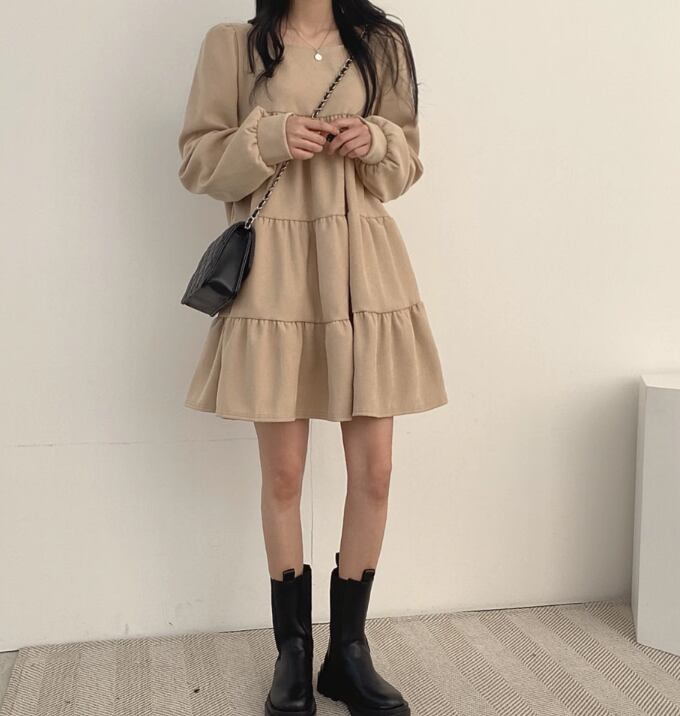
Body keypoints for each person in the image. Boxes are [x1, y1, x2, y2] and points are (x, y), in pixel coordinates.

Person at [177, 1, 448, 714]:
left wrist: (376, 139)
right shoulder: (233, 44)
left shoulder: (381, 45)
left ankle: (348, 653)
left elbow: (405, 167)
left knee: (376, 472)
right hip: (277, 277)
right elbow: (198, 163)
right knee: (284, 474)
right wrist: (270, 137)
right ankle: (293, 654)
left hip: (364, 270)